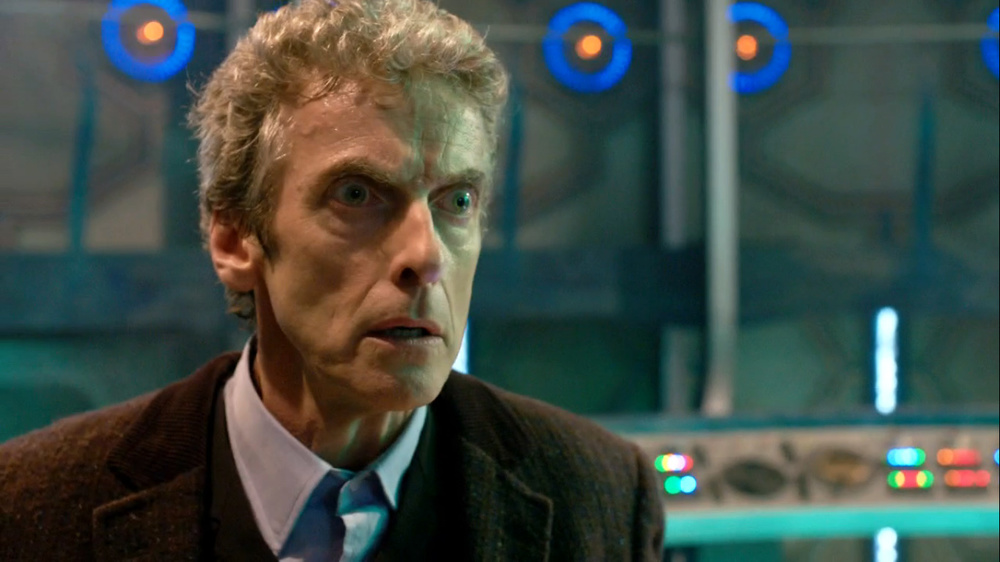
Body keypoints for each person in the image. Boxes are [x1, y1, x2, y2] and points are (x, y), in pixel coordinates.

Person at [0, 0, 664, 559]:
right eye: (356, 194)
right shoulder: (34, 508)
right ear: (233, 238)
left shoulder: (598, 495)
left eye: (456, 201)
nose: (425, 255)